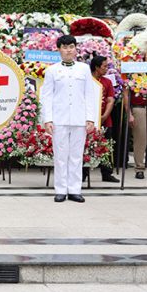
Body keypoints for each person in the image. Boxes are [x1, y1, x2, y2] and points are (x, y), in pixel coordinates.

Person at [40, 35, 98, 203]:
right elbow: (47, 96)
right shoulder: (52, 70)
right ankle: (60, 190)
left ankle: (74, 190)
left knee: (76, 156)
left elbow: (89, 94)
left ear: (75, 48)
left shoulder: (84, 69)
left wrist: (90, 118)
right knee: (60, 156)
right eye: (64, 47)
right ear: (59, 49)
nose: (68, 50)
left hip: (79, 118)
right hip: (59, 118)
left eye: (71, 47)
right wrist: (48, 119)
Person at [124, 52, 147, 180]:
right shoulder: (133, 75)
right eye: (145, 58)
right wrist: (129, 114)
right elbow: (126, 95)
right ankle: (139, 168)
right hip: (139, 109)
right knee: (140, 140)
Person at [87, 55, 119, 182]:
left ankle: (106, 174)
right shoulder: (87, 80)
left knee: (105, 147)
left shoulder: (108, 82)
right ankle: (83, 173)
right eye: (104, 66)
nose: (107, 69)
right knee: (86, 146)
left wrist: (105, 115)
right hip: (88, 121)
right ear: (96, 67)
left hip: (106, 120)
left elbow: (110, 100)